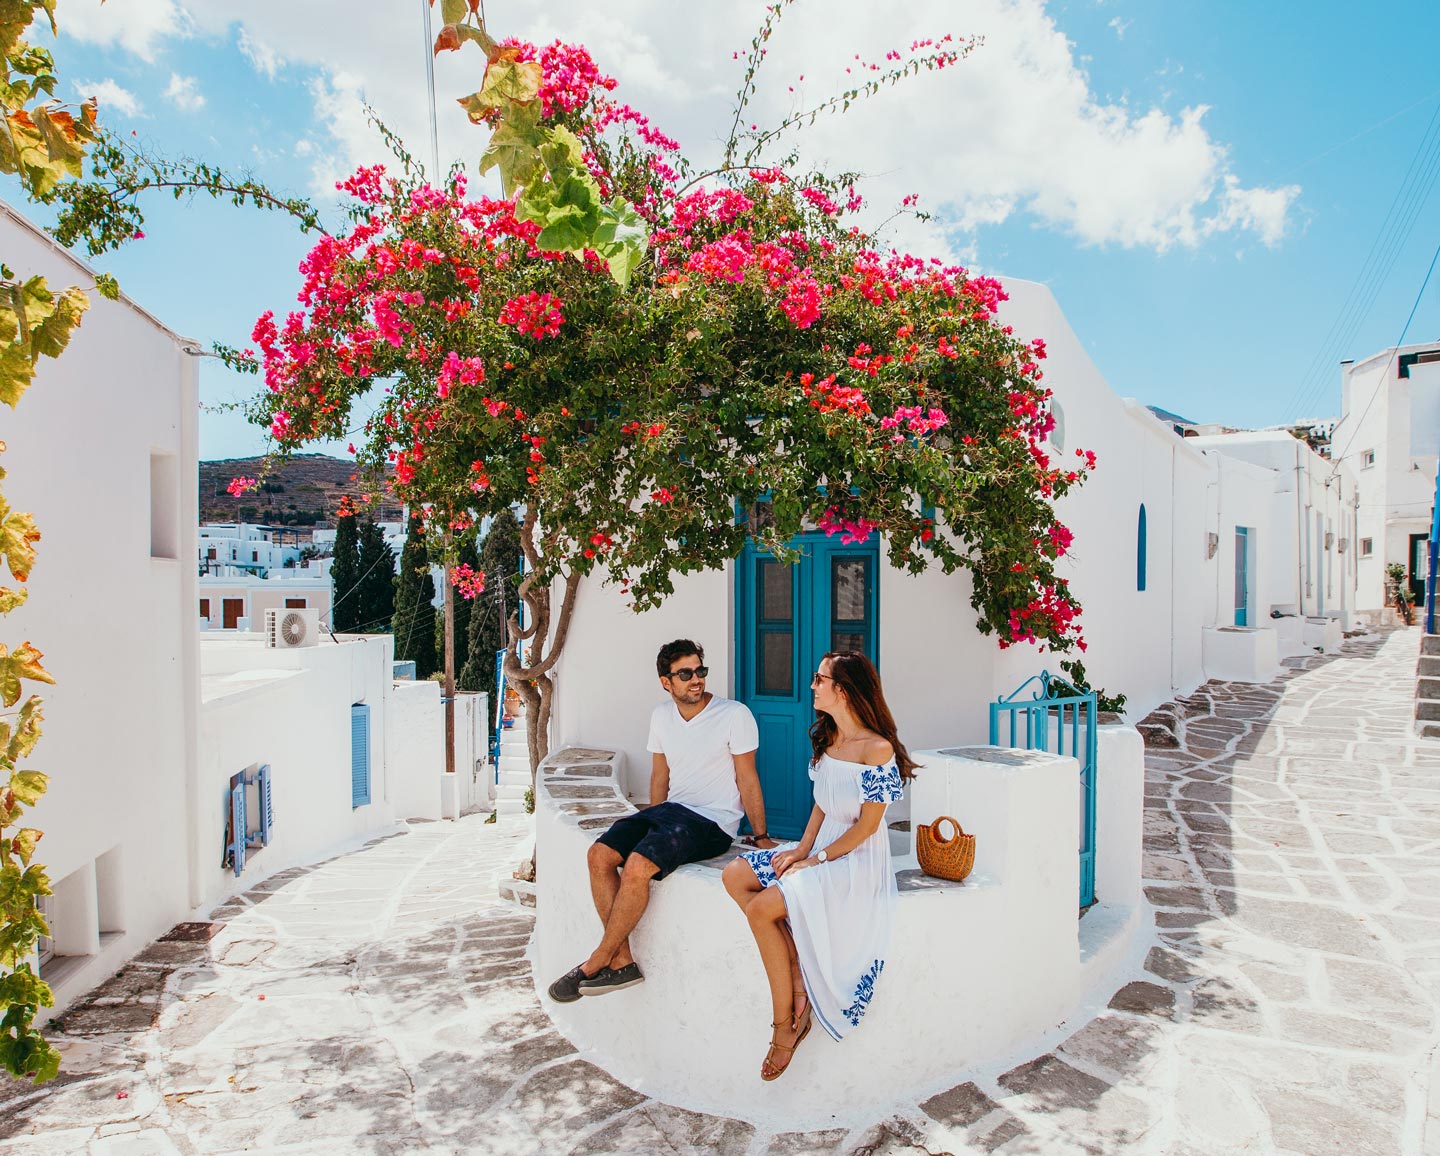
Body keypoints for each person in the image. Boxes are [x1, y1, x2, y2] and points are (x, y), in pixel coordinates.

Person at [722, 651, 915, 1080]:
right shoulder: (829, 738)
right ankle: (794, 966)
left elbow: (867, 827)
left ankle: (784, 1026)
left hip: (854, 860)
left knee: (761, 909)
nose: (812, 686)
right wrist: (800, 850)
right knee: (735, 874)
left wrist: (816, 859)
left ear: (842, 691)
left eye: (819, 679)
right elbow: (823, 804)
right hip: (821, 848)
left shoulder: (877, 749)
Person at [548, 639, 776, 1001]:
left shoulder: (734, 715)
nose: (695, 680)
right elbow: (660, 776)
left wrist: (761, 835)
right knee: (599, 856)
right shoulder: (661, 716)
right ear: (665, 681)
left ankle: (599, 958)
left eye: (700, 671)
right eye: (685, 674)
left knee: (638, 865)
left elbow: (747, 778)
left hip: (712, 823)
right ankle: (621, 960)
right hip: (671, 814)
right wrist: (653, 820)